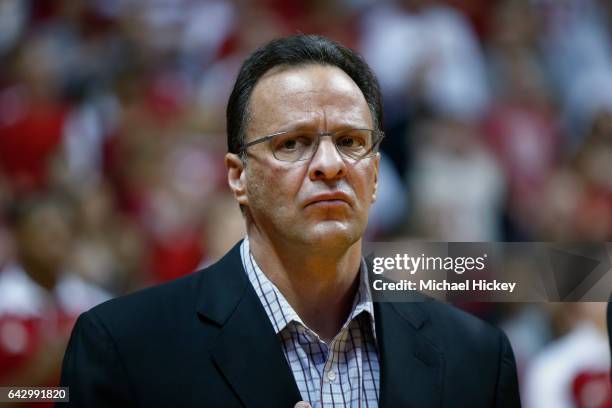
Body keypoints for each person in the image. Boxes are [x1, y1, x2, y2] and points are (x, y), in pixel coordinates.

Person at [60, 35, 520, 407]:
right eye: (293, 144)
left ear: (376, 175)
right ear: (238, 178)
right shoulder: (124, 347)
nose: (329, 164)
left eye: (350, 140)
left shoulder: (476, 356)